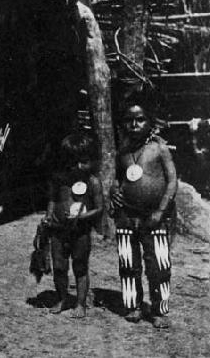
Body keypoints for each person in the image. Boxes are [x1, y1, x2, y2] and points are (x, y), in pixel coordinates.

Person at [110, 100, 178, 329]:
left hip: (154, 216)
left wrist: (160, 211)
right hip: (126, 215)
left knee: (158, 265)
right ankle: (134, 305)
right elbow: (120, 178)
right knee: (128, 262)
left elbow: (172, 181)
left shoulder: (159, 148)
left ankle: (159, 309)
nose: (134, 124)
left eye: (140, 119)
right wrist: (115, 191)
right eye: (129, 120)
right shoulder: (124, 151)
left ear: (150, 122)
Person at [42, 132, 103, 319]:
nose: (78, 166)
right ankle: (61, 299)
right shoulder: (59, 179)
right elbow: (53, 199)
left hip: (80, 232)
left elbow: (100, 208)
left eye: (83, 161)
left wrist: (83, 216)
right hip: (58, 230)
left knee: (80, 267)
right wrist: (49, 215)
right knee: (59, 266)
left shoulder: (93, 182)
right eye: (73, 161)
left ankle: (80, 303)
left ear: (91, 161)